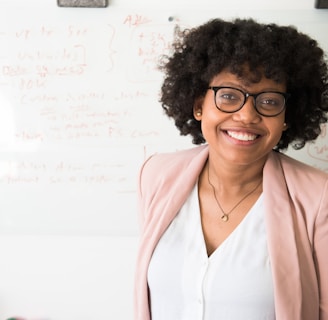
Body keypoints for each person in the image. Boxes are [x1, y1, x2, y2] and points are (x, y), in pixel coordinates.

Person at [134, 18, 328, 320]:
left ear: (287, 116)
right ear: (199, 104)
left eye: (269, 101)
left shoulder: (318, 197)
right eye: (228, 96)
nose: (247, 115)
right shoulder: (156, 175)